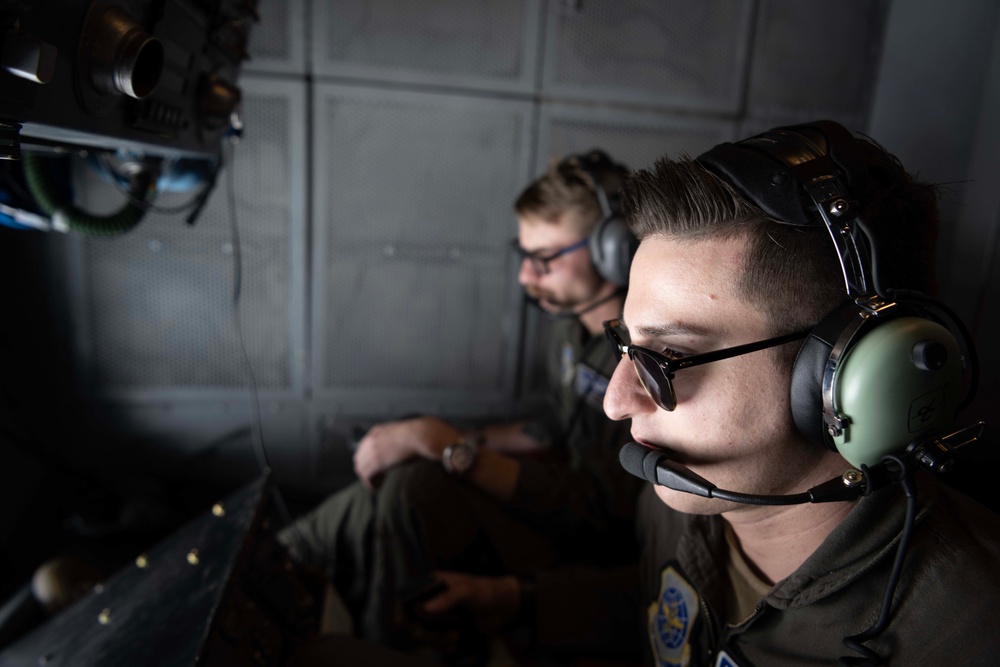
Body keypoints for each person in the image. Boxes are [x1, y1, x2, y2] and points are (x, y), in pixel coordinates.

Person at [601, 121, 1000, 666]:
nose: (616, 401)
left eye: (667, 358)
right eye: (625, 345)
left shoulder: (971, 634)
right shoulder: (684, 497)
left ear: (849, 374)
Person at [279, 150, 644, 659]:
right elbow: (553, 429)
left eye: (545, 258)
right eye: (523, 254)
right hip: (561, 501)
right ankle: (274, 564)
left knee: (413, 489)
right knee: (402, 465)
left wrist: (449, 447)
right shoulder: (569, 329)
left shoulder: (640, 363)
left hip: (597, 545)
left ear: (614, 251)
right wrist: (435, 437)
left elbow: (596, 512)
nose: (525, 276)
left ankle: (386, 646)